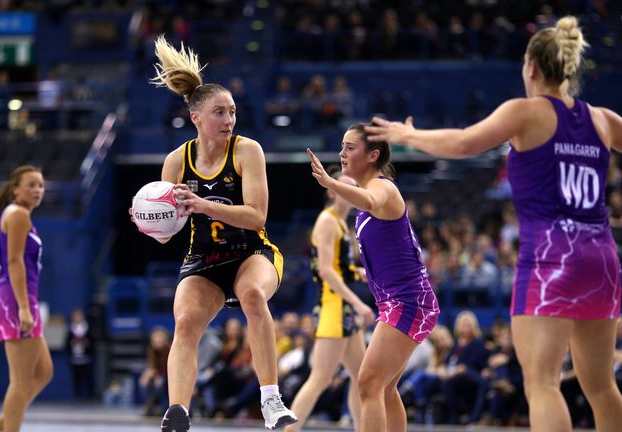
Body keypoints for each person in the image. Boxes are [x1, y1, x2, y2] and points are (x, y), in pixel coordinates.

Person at [364, 15, 622, 431]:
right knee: (603, 386)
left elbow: (463, 142)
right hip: (602, 257)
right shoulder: (602, 119)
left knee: (543, 384)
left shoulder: (527, 112)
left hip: (553, 257)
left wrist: (409, 136)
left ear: (531, 68)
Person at [130, 35, 297, 432]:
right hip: (204, 257)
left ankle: (271, 400)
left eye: (233, 112)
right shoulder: (176, 161)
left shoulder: (247, 151)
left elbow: (257, 217)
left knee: (253, 295)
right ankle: (177, 413)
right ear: (196, 118)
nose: (229, 120)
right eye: (219, 113)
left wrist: (203, 204)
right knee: (185, 321)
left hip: (252, 252)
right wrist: (147, 221)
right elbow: (167, 236)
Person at [306, 123, 440, 432]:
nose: (342, 153)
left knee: (368, 383)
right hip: (397, 302)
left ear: (372, 155)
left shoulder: (382, 187)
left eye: (350, 148)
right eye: (342, 146)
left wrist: (329, 182)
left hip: (408, 302)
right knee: (383, 388)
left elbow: (368, 201)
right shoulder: (365, 199)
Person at [284, 165, 375, 432]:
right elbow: (325, 270)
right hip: (334, 307)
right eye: (344, 185)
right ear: (332, 190)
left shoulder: (341, 225)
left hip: (345, 308)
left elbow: (343, 270)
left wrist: (369, 273)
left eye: (353, 186)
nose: (350, 190)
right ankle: (290, 429)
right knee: (320, 378)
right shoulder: (326, 221)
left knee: (362, 380)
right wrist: (358, 303)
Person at [0, 165, 53, 432]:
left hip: (15, 299)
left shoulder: (17, 215)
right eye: (31, 185)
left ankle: (1, 426)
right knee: (21, 381)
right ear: (15, 189)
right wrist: (24, 307)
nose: (37, 190)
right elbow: (14, 262)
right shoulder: (19, 214)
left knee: (43, 372)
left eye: (41, 186)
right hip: (13, 300)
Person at [66, 308, 94, 402]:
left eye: (79, 316)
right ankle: (77, 396)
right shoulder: (71, 329)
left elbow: (92, 342)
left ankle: (89, 396)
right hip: (75, 357)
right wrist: (73, 343)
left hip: (86, 357)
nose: (77, 318)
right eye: (75, 316)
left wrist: (86, 343)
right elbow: (67, 343)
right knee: (76, 378)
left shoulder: (87, 328)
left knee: (87, 377)